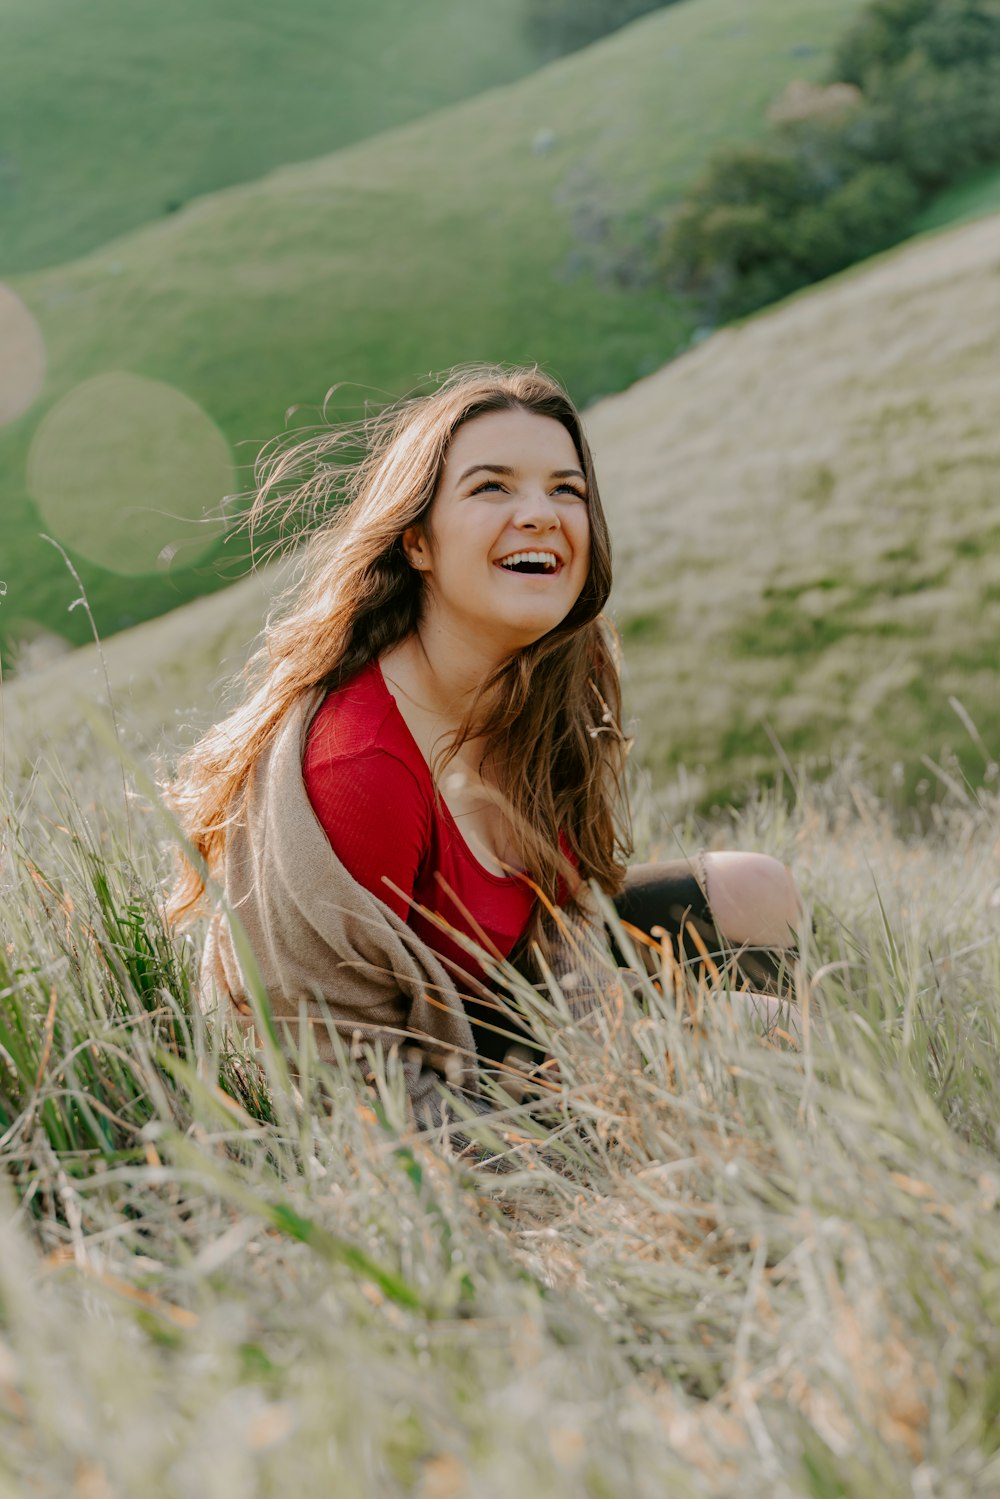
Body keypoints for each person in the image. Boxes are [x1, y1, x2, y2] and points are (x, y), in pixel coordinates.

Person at [166, 365, 802, 1122]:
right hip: (414, 1089)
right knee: (762, 1038)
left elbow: (569, 914)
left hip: (516, 997)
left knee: (758, 891)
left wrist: (609, 1026)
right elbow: (333, 1090)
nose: (540, 513)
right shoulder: (359, 768)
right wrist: (622, 1074)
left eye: (567, 489)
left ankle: (793, 1150)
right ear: (417, 542)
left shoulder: (555, 677)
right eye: (492, 487)